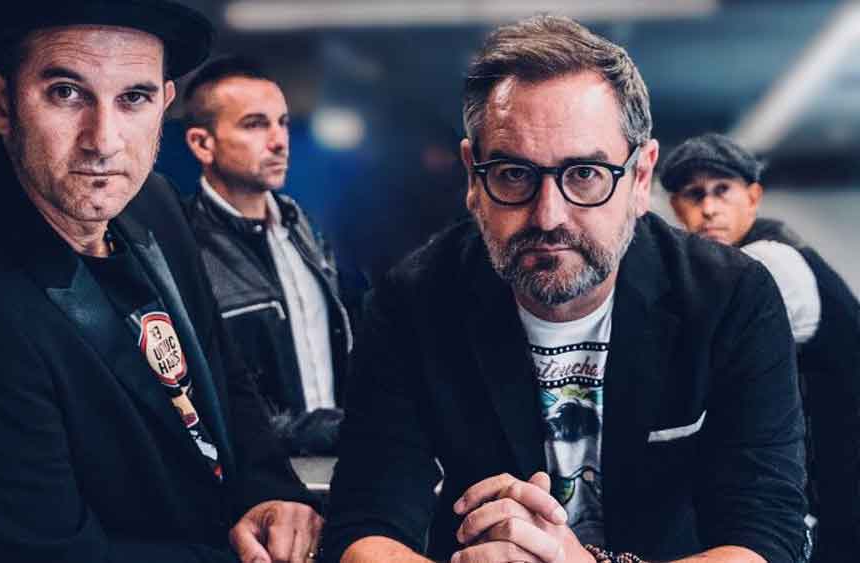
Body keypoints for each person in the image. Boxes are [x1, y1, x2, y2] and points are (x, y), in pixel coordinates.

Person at [321, 15, 807, 563]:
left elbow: (766, 539)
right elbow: (364, 525)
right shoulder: (412, 303)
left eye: (585, 174)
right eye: (513, 174)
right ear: (473, 177)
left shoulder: (732, 297)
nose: (549, 216)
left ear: (640, 177)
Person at [0, 2, 323, 561]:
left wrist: (271, 491)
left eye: (134, 98)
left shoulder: (152, 203)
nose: (103, 140)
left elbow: (221, 369)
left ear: (165, 104)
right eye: (66, 93)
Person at [662, 132, 860, 563]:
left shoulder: (769, 263)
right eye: (694, 195)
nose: (709, 208)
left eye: (722, 191)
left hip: (841, 478)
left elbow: (685, 354)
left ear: (752, 198)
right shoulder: (735, 268)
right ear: (677, 208)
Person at [181, 56, 352, 455]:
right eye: (255, 124)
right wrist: (320, 433)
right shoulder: (183, 250)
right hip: (253, 474)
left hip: (331, 465)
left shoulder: (302, 228)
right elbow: (202, 403)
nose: (279, 141)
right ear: (203, 144)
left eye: (283, 122)